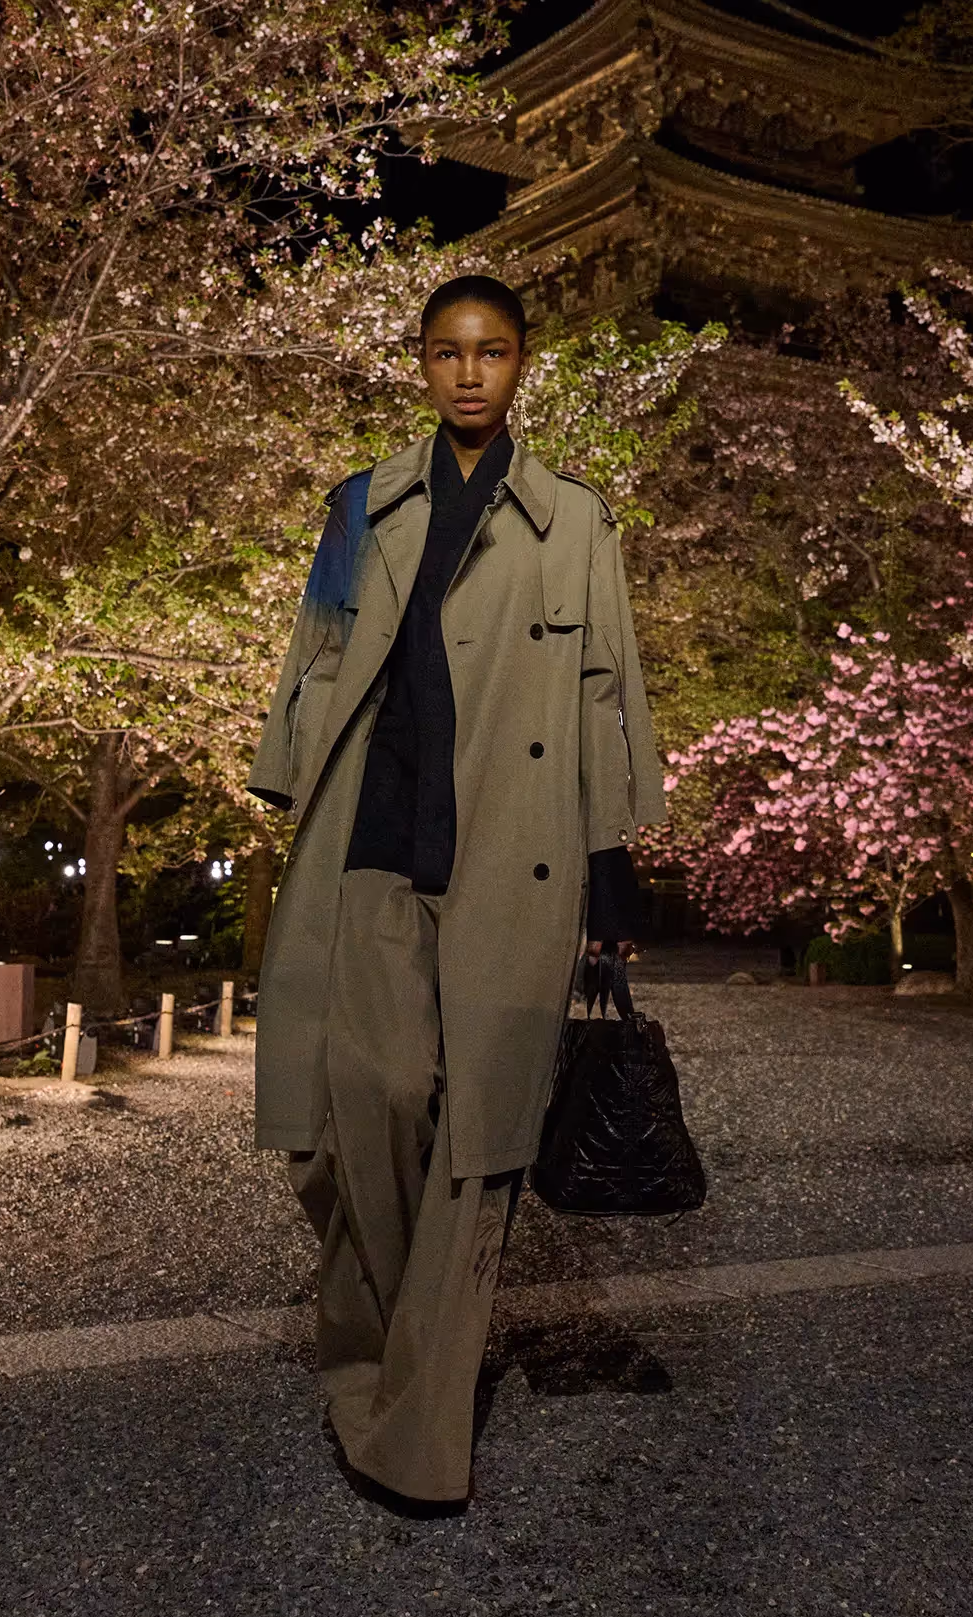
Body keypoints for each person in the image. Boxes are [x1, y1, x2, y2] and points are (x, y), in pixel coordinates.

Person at [246, 275, 667, 1509]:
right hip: (369, 837)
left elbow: (606, 691)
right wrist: (285, 783)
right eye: (447, 351)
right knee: (360, 1107)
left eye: (492, 351)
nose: (470, 372)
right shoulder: (360, 506)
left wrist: (610, 869)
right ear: (421, 364)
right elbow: (319, 650)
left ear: (523, 362)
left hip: (514, 854)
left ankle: (417, 1437)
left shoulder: (575, 520)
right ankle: (375, 1356)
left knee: (478, 1140)